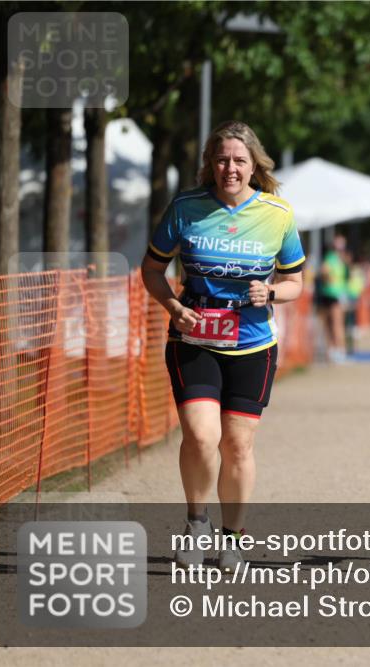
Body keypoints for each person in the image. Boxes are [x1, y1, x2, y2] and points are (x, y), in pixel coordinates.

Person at [141, 120, 305, 570]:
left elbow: (295, 282)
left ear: (255, 165)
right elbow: (151, 270)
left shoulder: (278, 214)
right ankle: (196, 524)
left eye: (239, 160)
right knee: (200, 435)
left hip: (253, 344)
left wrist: (269, 293)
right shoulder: (186, 208)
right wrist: (174, 306)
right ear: (210, 164)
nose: (230, 168)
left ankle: (232, 537)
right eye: (222, 159)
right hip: (193, 338)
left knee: (237, 446)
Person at [318, 235, 349, 362]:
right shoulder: (337, 259)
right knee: (336, 323)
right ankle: (339, 351)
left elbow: (324, 272)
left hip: (329, 293)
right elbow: (324, 272)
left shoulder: (332, 258)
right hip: (334, 294)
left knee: (329, 324)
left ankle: (332, 350)